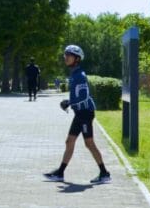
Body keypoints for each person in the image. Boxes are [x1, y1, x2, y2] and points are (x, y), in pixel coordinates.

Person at [43, 45, 111, 184]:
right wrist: (71, 102)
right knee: (70, 141)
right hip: (80, 113)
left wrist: (69, 102)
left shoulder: (80, 75)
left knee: (89, 143)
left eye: (69, 55)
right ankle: (60, 173)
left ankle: (104, 173)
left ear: (77, 59)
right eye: (65, 55)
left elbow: (84, 96)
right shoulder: (74, 74)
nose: (66, 57)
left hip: (85, 113)